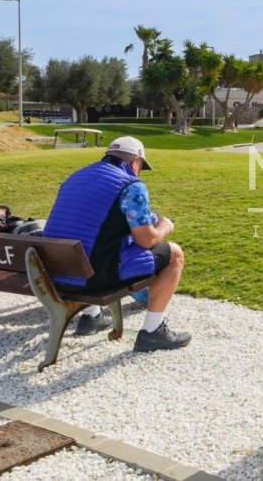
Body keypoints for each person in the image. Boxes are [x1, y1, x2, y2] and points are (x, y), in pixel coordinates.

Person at [44, 137, 190, 350]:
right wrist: (164, 227)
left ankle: (91, 316)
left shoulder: (75, 177)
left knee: (89, 244)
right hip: (93, 278)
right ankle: (152, 331)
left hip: (55, 272)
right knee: (175, 254)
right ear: (135, 161)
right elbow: (146, 240)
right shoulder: (131, 185)